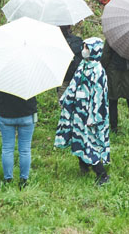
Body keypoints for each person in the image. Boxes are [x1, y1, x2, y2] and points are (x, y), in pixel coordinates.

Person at [55, 37, 111, 186]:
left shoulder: (98, 71)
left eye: (87, 47)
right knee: (78, 138)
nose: (84, 50)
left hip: (90, 115)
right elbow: (74, 84)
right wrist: (66, 99)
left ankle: (102, 174)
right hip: (79, 112)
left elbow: (99, 96)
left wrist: (94, 116)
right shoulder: (83, 65)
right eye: (84, 47)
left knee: (90, 143)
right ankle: (83, 166)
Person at [0, 89, 37, 186]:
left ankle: (8, 180)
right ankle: (23, 181)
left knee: (7, 148)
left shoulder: (0, 76)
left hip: (6, 115)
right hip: (27, 115)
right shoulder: (29, 76)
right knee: (25, 150)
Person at [102, 41, 129, 133]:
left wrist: (103, 68)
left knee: (113, 100)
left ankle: (114, 128)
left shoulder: (112, 38)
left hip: (113, 72)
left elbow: (105, 56)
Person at [60, 24, 84, 94]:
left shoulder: (56, 42)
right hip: (77, 77)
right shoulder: (78, 41)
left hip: (63, 78)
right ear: (70, 27)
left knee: (62, 101)